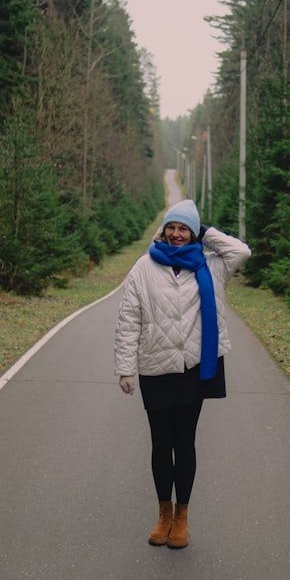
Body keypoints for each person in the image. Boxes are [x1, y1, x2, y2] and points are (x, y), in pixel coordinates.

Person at [114, 198, 251, 549]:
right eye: (172, 227)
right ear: (163, 230)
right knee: (161, 444)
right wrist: (125, 367)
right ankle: (163, 514)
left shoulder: (210, 265)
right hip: (156, 368)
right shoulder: (144, 267)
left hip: (194, 369)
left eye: (184, 228)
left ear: (193, 233)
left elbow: (240, 252)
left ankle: (182, 517)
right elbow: (129, 320)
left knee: (184, 442)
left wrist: (205, 232)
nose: (176, 234)